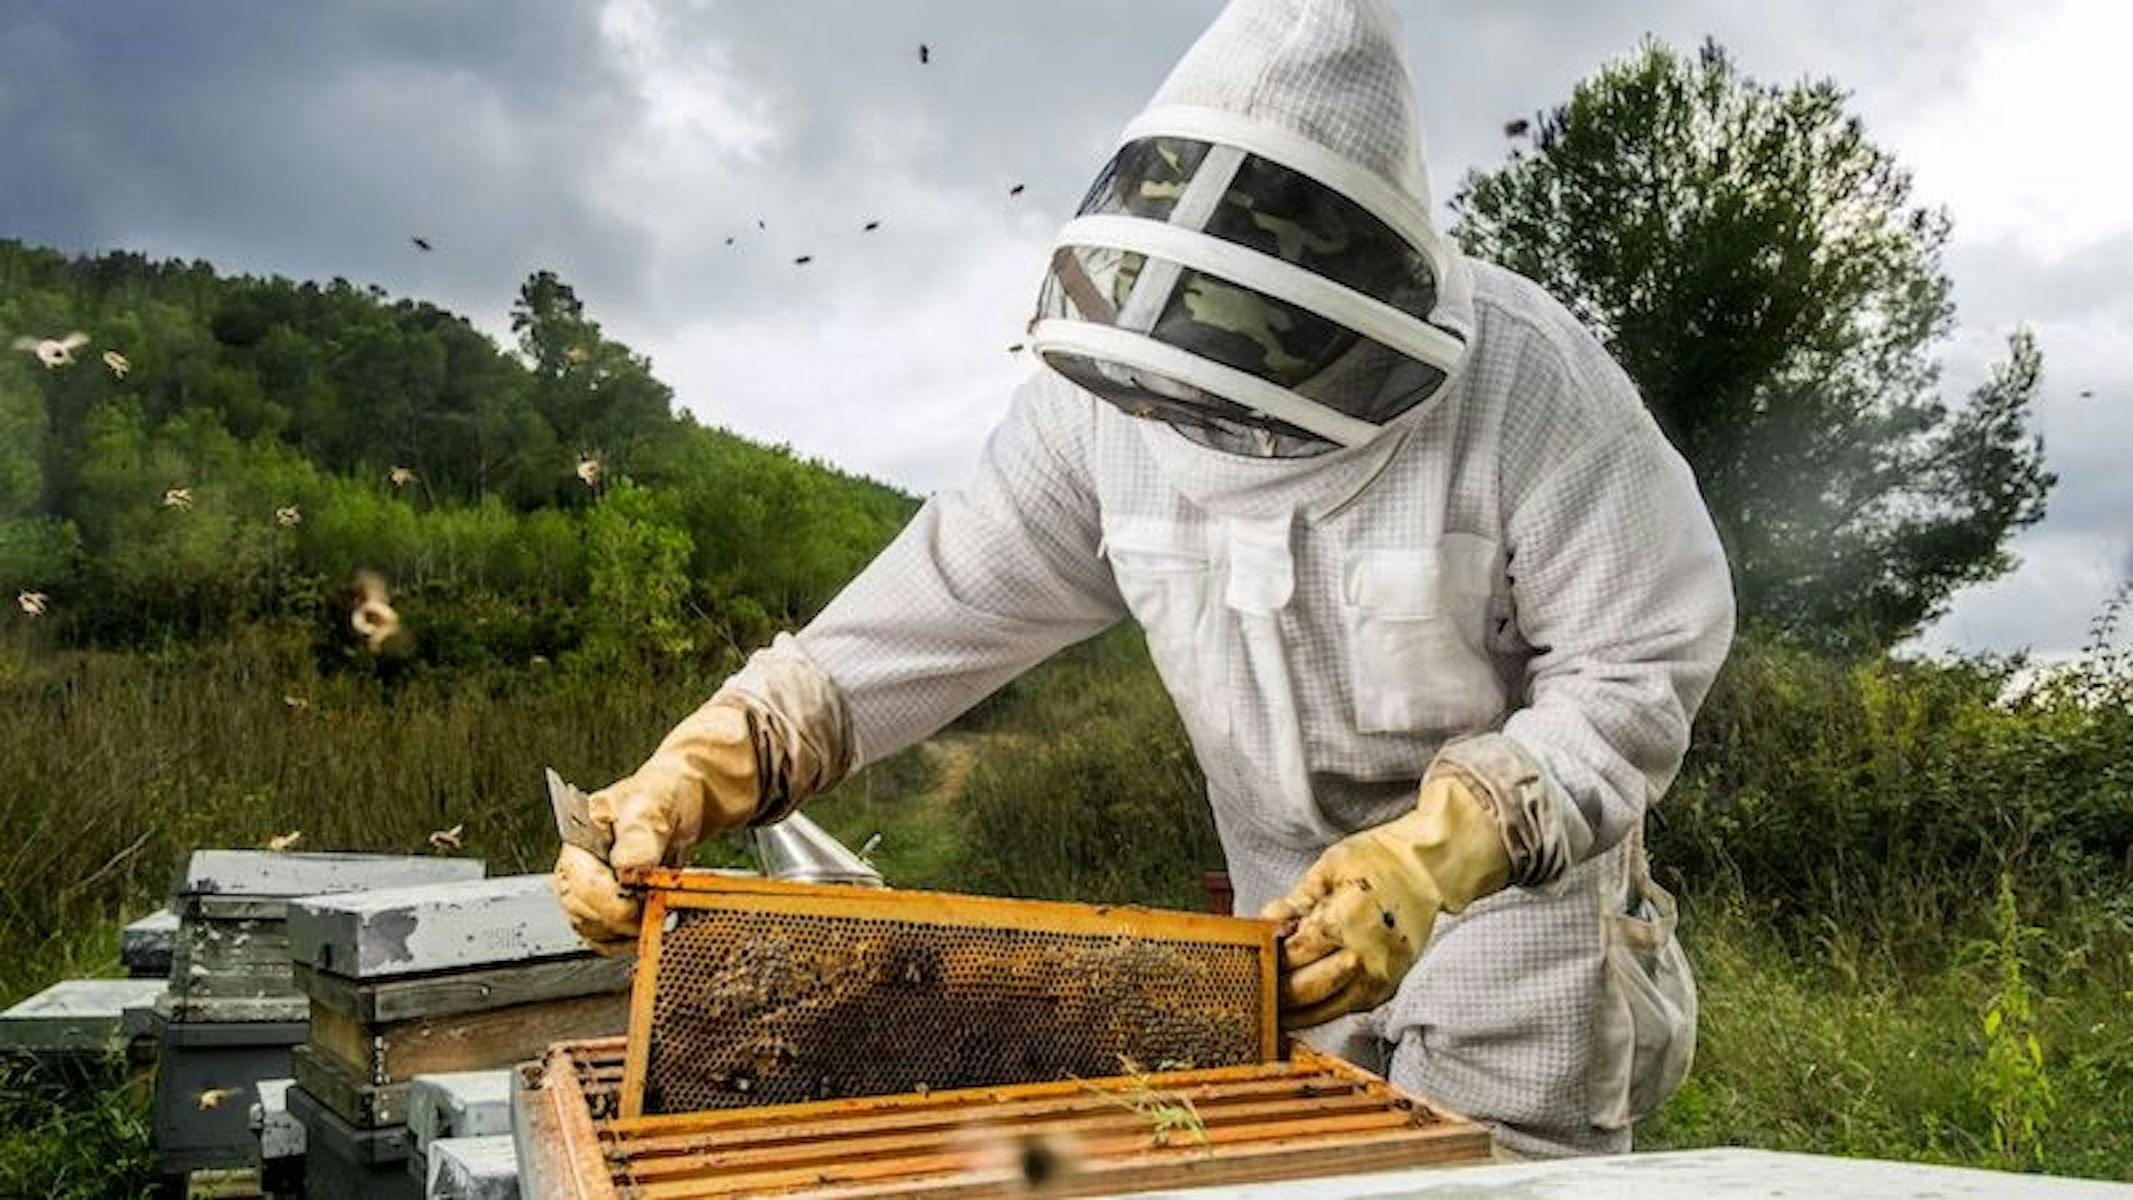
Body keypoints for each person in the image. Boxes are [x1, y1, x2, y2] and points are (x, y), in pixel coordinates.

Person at [554, 0, 1735, 1157]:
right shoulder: (1107, 405)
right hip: (1277, 934)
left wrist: (1433, 856)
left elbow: (1635, 668)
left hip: (1516, 933)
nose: (1215, 426)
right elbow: (932, 609)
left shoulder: (1534, 390)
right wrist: (695, 772)